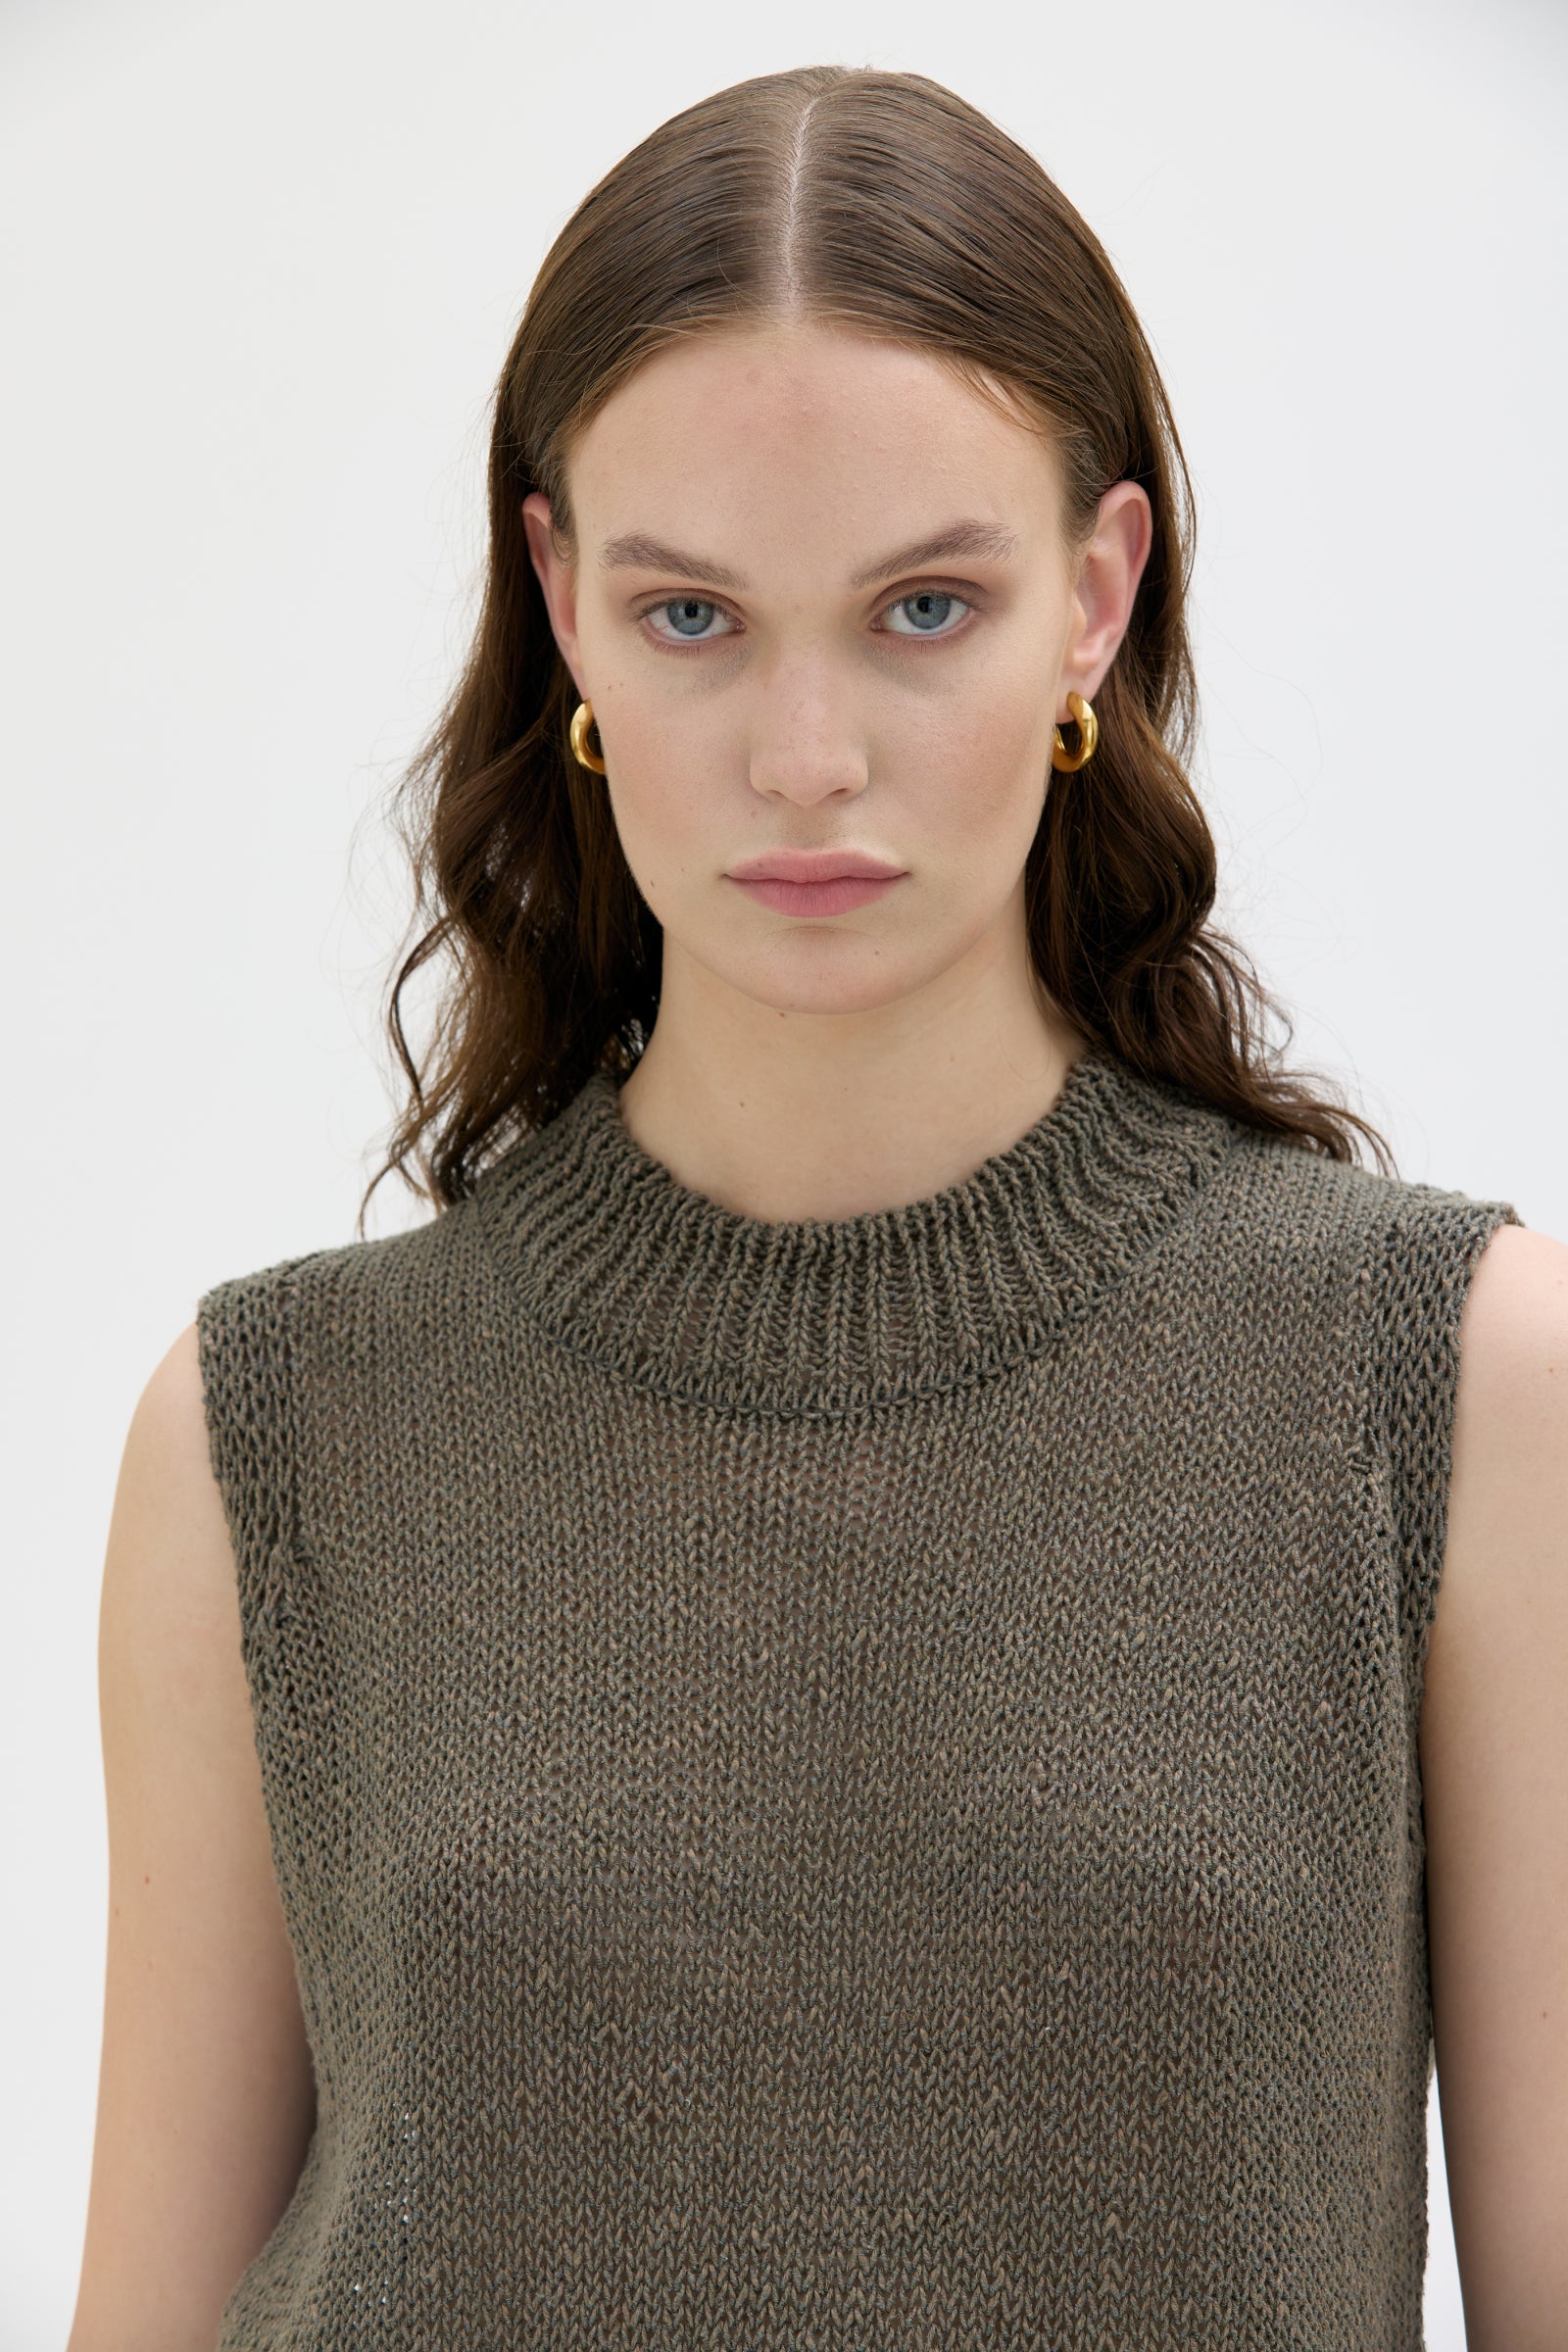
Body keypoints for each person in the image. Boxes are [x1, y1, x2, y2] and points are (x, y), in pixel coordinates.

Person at [69, 64, 1567, 2352]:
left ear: (1093, 598)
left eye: (921, 606)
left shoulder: (1440, 1387)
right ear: (562, 603)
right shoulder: (265, 1436)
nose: (803, 760)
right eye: (691, 616)